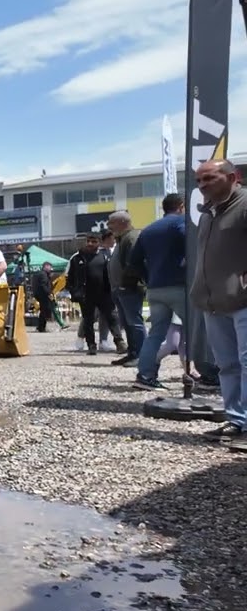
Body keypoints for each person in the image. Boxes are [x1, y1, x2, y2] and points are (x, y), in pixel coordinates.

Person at [188, 159, 247, 442]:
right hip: (213, 302)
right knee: (227, 365)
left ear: (232, 176)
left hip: (242, 299)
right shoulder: (208, 213)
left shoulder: (244, 205)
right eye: (199, 181)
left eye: (209, 178)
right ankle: (237, 420)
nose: (202, 186)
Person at [130, 193, 186, 389]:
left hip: (155, 288)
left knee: (155, 334)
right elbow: (192, 245)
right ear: (181, 206)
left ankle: (145, 376)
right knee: (199, 330)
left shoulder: (148, 230)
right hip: (180, 286)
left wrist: (148, 276)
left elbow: (134, 261)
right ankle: (207, 375)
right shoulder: (181, 223)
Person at [64, 231, 122, 356]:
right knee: (88, 321)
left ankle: (119, 342)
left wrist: (113, 290)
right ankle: (91, 345)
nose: (90, 244)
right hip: (86, 296)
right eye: (88, 241)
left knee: (112, 318)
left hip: (104, 294)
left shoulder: (105, 256)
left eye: (94, 241)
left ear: (99, 243)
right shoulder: (77, 258)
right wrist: (74, 291)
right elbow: (69, 277)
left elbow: (111, 274)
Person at [107, 210, 145, 366]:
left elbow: (134, 265)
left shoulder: (131, 238)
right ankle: (132, 352)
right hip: (120, 289)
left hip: (130, 289)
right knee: (127, 323)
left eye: (111, 222)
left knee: (134, 322)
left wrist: (125, 284)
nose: (109, 226)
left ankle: (141, 356)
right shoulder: (121, 239)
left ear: (122, 222)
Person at [31, 261, 68, 332]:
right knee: (45, 311)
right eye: (50, 267)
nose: (51, 269)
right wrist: (49, 293)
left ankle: (41, 327)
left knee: (44, 311)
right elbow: (43, 285)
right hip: (44, 296)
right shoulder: (43, 275)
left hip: (41, 295)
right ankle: (41, 327)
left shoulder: (41, 274)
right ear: (46, 266)